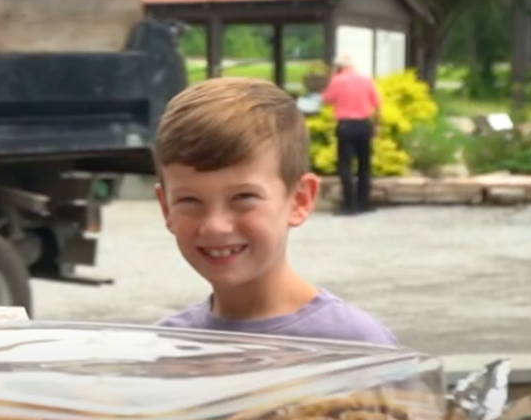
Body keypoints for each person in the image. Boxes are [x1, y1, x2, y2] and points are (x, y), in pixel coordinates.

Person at [154, 77, 397, 345]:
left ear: (300, 200)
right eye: (189, 200)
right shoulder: (165, 346)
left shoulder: (358, 346)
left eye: (244, 197)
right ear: (166, 207)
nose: (215, 226)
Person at [322, 54, 381, 215]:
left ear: (339, 67)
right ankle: (364, 202)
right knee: (365, 165)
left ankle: (350, 205)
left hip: (346, 126)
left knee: (345, 165)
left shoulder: (337, 80)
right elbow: (377, 103)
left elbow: (327, 100)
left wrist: (332, 78)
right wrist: (376, 125)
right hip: (364, 124)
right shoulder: (366, 79)